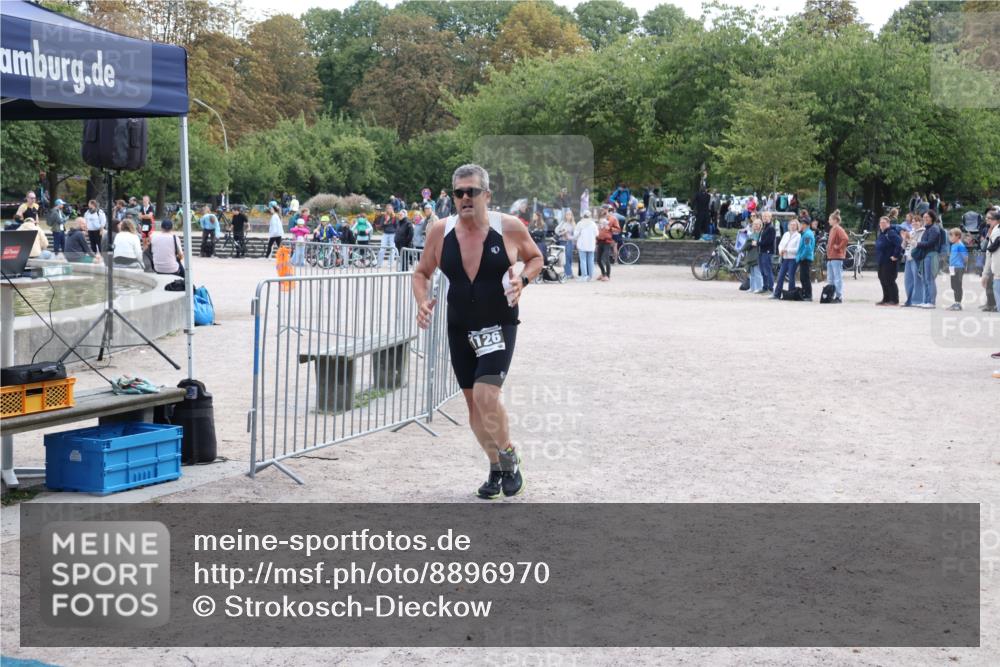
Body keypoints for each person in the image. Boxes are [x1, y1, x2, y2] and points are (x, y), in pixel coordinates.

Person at [411, 163, 543, 499]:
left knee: (487, 395)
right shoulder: (440, 231)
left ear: (487, 194)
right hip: (459, 326)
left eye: (472, 191)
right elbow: (421, 273)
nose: (465, 198)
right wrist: (422, 302)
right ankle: (496, 465)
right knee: (473, 407)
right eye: (459, 192)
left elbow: (535, 258)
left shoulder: (509, 227)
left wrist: (522, 281)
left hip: (498, 322)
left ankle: (509, 453)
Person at [915, 210, 942, 308]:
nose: (925, 219)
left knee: (930, 279)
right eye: (924, 217)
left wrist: (917, 244)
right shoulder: (927, 228)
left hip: (931, 255)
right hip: (925, 255)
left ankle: (931, 302)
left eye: (927, 217)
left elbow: (930, 243)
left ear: (932, 218)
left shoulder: (934, 229)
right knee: (925, 279)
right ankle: (926, 300)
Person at [875, 216, 903, 306]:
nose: (882, 224)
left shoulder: (891, 233)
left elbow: (899, 243)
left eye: (884, 223)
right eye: (881, 223)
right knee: (882, 278)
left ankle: (894, 300)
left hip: (889, 261)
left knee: (889, 279)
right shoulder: (882, 233)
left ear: (888, 224)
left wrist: (895, 256)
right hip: (882, 260)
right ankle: (886, 298)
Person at [772, 220, 801, 299]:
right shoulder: (786, 234)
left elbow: (797, 249)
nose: (792, 226)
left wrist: (787, 250)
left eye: (794, 225)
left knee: (791, 277)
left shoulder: (798, 236)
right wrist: (780, 250)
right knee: (780, 276)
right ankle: (777, 294)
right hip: (785, 258)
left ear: (797, 226)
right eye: (791, 224)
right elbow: (780, 244)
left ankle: (791, 294)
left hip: (793, 259)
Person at [902, 214, 926, 307]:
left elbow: (918, 244)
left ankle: (917, 300)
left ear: (920, 223)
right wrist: (905, 239)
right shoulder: (911, 231)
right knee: (908, 280)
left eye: (916, 221)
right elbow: (903, 246)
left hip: (916, 258)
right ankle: (909, 299)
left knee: (917, 280)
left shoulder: (923, 232)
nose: (914, 223)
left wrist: (910, 239)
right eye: (913, 221)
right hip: (908, 257)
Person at [826, 209, 849, 303]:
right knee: (830, 278)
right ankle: (831, 294)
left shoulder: (838, 229)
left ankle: (839, 296)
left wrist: (838, 247)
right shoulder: (832, 229)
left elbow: (845, 238)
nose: (828, 221)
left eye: (830, 219)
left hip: (836, 257)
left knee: (837, 277)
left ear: (835, 220)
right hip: (831, 257)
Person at [946, 228, 968, 311]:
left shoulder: (960, 245)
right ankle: (956, 302)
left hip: (958, 268)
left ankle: (958, 303)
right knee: (953, 285)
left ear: (958, 236)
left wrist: (964, 266)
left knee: (958, 285)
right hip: (952, 268)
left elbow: (965, 257)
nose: (950, 238)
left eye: (952, 236)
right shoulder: (953, 245)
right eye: (950, 236)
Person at [796, 214, 816, 301]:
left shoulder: (807, 234)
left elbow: (807, 248)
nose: (801, 225)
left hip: (805, 259)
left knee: (805, 278)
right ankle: (805, 294)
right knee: (803, 277)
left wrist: (801, 257)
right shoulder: (805, 233)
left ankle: (808, 295)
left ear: (806, 225)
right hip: (804, 258)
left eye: (802, 224)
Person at [573, 213, 598, 281]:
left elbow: (575, 234)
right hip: (591, 245)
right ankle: (591, 276)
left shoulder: (580, 223)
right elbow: (597, 233)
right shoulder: (593, 224)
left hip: (582, 244)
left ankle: (584, 276)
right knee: (591, 261)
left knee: (583, 260)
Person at [554, 209, 576, 280]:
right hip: (562, 242)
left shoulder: (573, 224)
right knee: (564, 258)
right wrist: (562, 232)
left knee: (569, 258)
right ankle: (568, 273)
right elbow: (556, 230)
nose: (568, 216)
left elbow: (575, 236)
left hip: (569, 242)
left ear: (571, 216)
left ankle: (569, 273)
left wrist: (569, 237)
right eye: (567, 214)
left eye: (569, 214)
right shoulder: (562, 222)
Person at [596, 208, 616, 281]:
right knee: (598, 259)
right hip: (599, 241)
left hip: (607, 241)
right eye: (601, 212)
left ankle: (607, 275)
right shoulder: (599, 220)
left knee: (606, 259)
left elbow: (618, 229)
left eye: (605, 211)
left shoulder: (613, 219)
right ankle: (603, 273)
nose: (604, 213)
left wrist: (610, 228)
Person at [759, 211, 776, 292]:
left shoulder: (771, 228)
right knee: (762, 270)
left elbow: (769, 241)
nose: (764, 218)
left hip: (768, 251)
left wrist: (758, 243)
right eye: (763, 216)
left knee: (768, 270)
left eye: (766, 216)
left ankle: (770, 287)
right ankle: (765, 287)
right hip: (761, 251)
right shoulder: (764, 227)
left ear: (770, 217)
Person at [746, 217, 763, 293]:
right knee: (751, 272)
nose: (755, 225)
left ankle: (759, 287)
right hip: (750, 254)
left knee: (757, 272)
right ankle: (752, 287)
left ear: (760, 225)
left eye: (757, 224)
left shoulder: (761, 234)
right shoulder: (751, 234)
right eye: (754, 224)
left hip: (757, 254)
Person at [378, 203, 398, 268]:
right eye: (388, 208)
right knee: (382, 249)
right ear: (386, 209)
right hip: (385, 234)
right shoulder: (384, 216)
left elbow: (397, 226)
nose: (389, 209)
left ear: (392, 209)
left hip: (393, 234)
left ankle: (390, 264)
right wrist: (385, 222)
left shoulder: (395, 217)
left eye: (390, 208)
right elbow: (381, 226)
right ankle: (379, 264)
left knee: (392, 249)